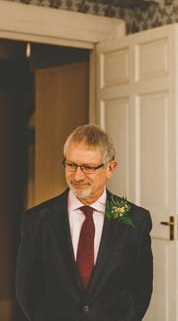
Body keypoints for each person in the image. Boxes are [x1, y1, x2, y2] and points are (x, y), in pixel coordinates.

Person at [15, 124, 152, 321]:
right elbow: (26, 289)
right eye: (71, 165)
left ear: (110, 168)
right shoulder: (36, 220)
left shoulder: (137, 220)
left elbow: (141, 289)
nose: (77, 176)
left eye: (87, 167)